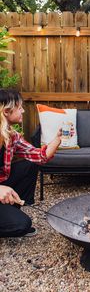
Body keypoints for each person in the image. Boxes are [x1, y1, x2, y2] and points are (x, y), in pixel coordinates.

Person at [0, 89, 61, 238]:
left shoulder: (12, 135)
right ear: (7, 112)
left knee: (29, 165)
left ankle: (10, 212)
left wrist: (57, 140)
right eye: (19, 107)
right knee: (22, 225)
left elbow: (38, 156)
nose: (23, 111)